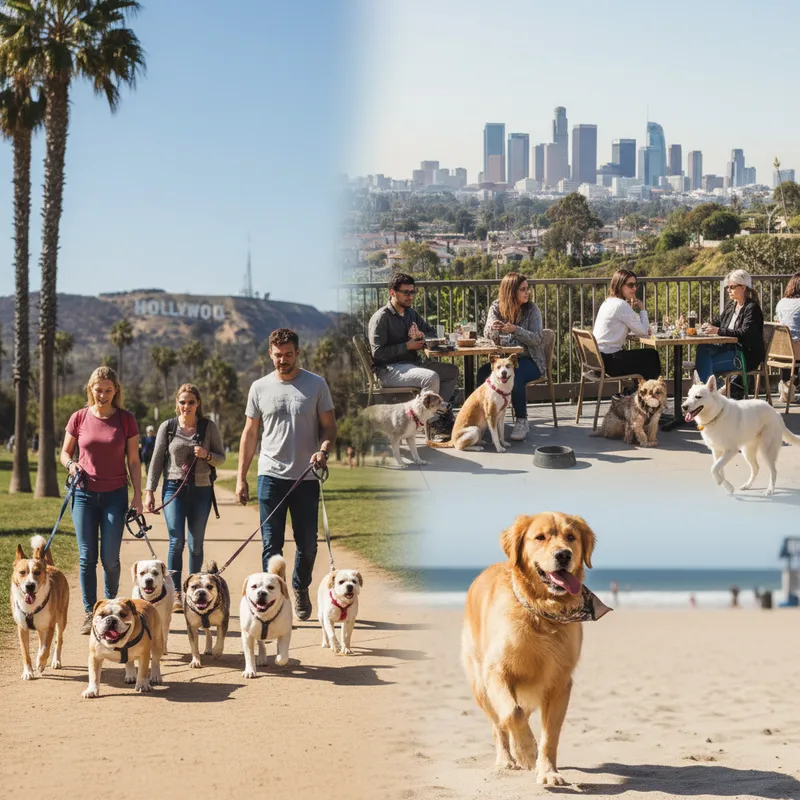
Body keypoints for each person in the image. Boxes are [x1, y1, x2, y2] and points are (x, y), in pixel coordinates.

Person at [236, 328, 337, 621]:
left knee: (307, 543)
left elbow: (329, 426)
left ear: (298, 353)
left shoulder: (316, 385)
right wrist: (242, 476)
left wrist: (324, 450)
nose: (283, 360)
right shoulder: (259, 387)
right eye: (278, 355)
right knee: (272, 543)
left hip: (306, 475)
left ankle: (299, 586)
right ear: (270, 353)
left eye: (289, 355)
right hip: (270, 476)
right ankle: (274, 601)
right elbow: (250, 433)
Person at [61, 366, 141, 634]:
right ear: (90, 389)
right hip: (83, 494)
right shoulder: (79, 417)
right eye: (99, 390)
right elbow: (64, 452)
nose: (103, 395)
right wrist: (71, 465)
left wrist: (138, 495)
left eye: (108, 390)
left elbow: (133, 459)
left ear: (115, 391)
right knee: (87, 558)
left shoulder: (126, 419)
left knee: (110, 559)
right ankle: (89, 612)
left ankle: (110, 606)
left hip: (115, 495)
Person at [145, 384, 226, 612]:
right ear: (177, 403)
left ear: (198, 403)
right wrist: (149, 491)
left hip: (201, 490)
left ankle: (194, 590)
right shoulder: (168, 427)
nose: (186, 406)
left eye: (191, 402)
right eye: (182, 402)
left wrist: (207, 455)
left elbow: (221, 458)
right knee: (176, 541)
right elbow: (157, 460)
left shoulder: (208, 427)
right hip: (174, 488)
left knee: (196, 544)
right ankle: (176, 593)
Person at [368, 272, 459, 441]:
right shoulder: (381, 318)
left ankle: (437, 417)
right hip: (389, 370)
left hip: (412, 365)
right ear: (392, 293)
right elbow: (378, 353)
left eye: (412, 292)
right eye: (406, 292)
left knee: (451, 371)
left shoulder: (411, 313)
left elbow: (431, 332)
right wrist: (407, 346)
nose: (410, 296)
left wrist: (421, 335)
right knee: (430, 377)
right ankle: (432, 423)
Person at [477, 272, 547, 441]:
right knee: (482, 373)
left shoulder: (532, 310)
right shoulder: (496, 307)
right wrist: (494, 329)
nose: (527, 292)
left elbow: (538, 338)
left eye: (527, 288)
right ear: (511, 291)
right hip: (503, 362)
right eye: (523, 289)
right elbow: (487, 333)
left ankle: (522, 420)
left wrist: (516, 330)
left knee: (516, 375)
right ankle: (481, 418)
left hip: (531, 360)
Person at [696, 269, 764, 399]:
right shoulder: (731, 305)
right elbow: (718, 321)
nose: (728, 290)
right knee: (702, 348)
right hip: (729, 349)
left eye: (732, 287)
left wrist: (718, 331)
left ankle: (709, 396)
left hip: (744, 355)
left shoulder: (752, 308)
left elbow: (745, 333)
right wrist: (707, 325)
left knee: (703, 365)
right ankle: (713, 393)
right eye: (728, 287)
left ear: (743, 287)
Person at [593, 269, 662, 382]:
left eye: (635, 285)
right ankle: (647, 395)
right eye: (630, 285)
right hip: (610, 362)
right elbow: (643, 332)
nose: (634, 288)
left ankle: (635, 392)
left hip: (599, 359)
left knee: (642, 357)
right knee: (651, 356)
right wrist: (642, 309)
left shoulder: (608, 302)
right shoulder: (621, 305)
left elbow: (615, 328)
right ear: (619, 285)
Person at [774, 272, 800, 403]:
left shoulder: (781, 303)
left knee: (791, 346)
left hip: (779, 350)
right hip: (796, 350)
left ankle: (786, 391)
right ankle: (788, 389)